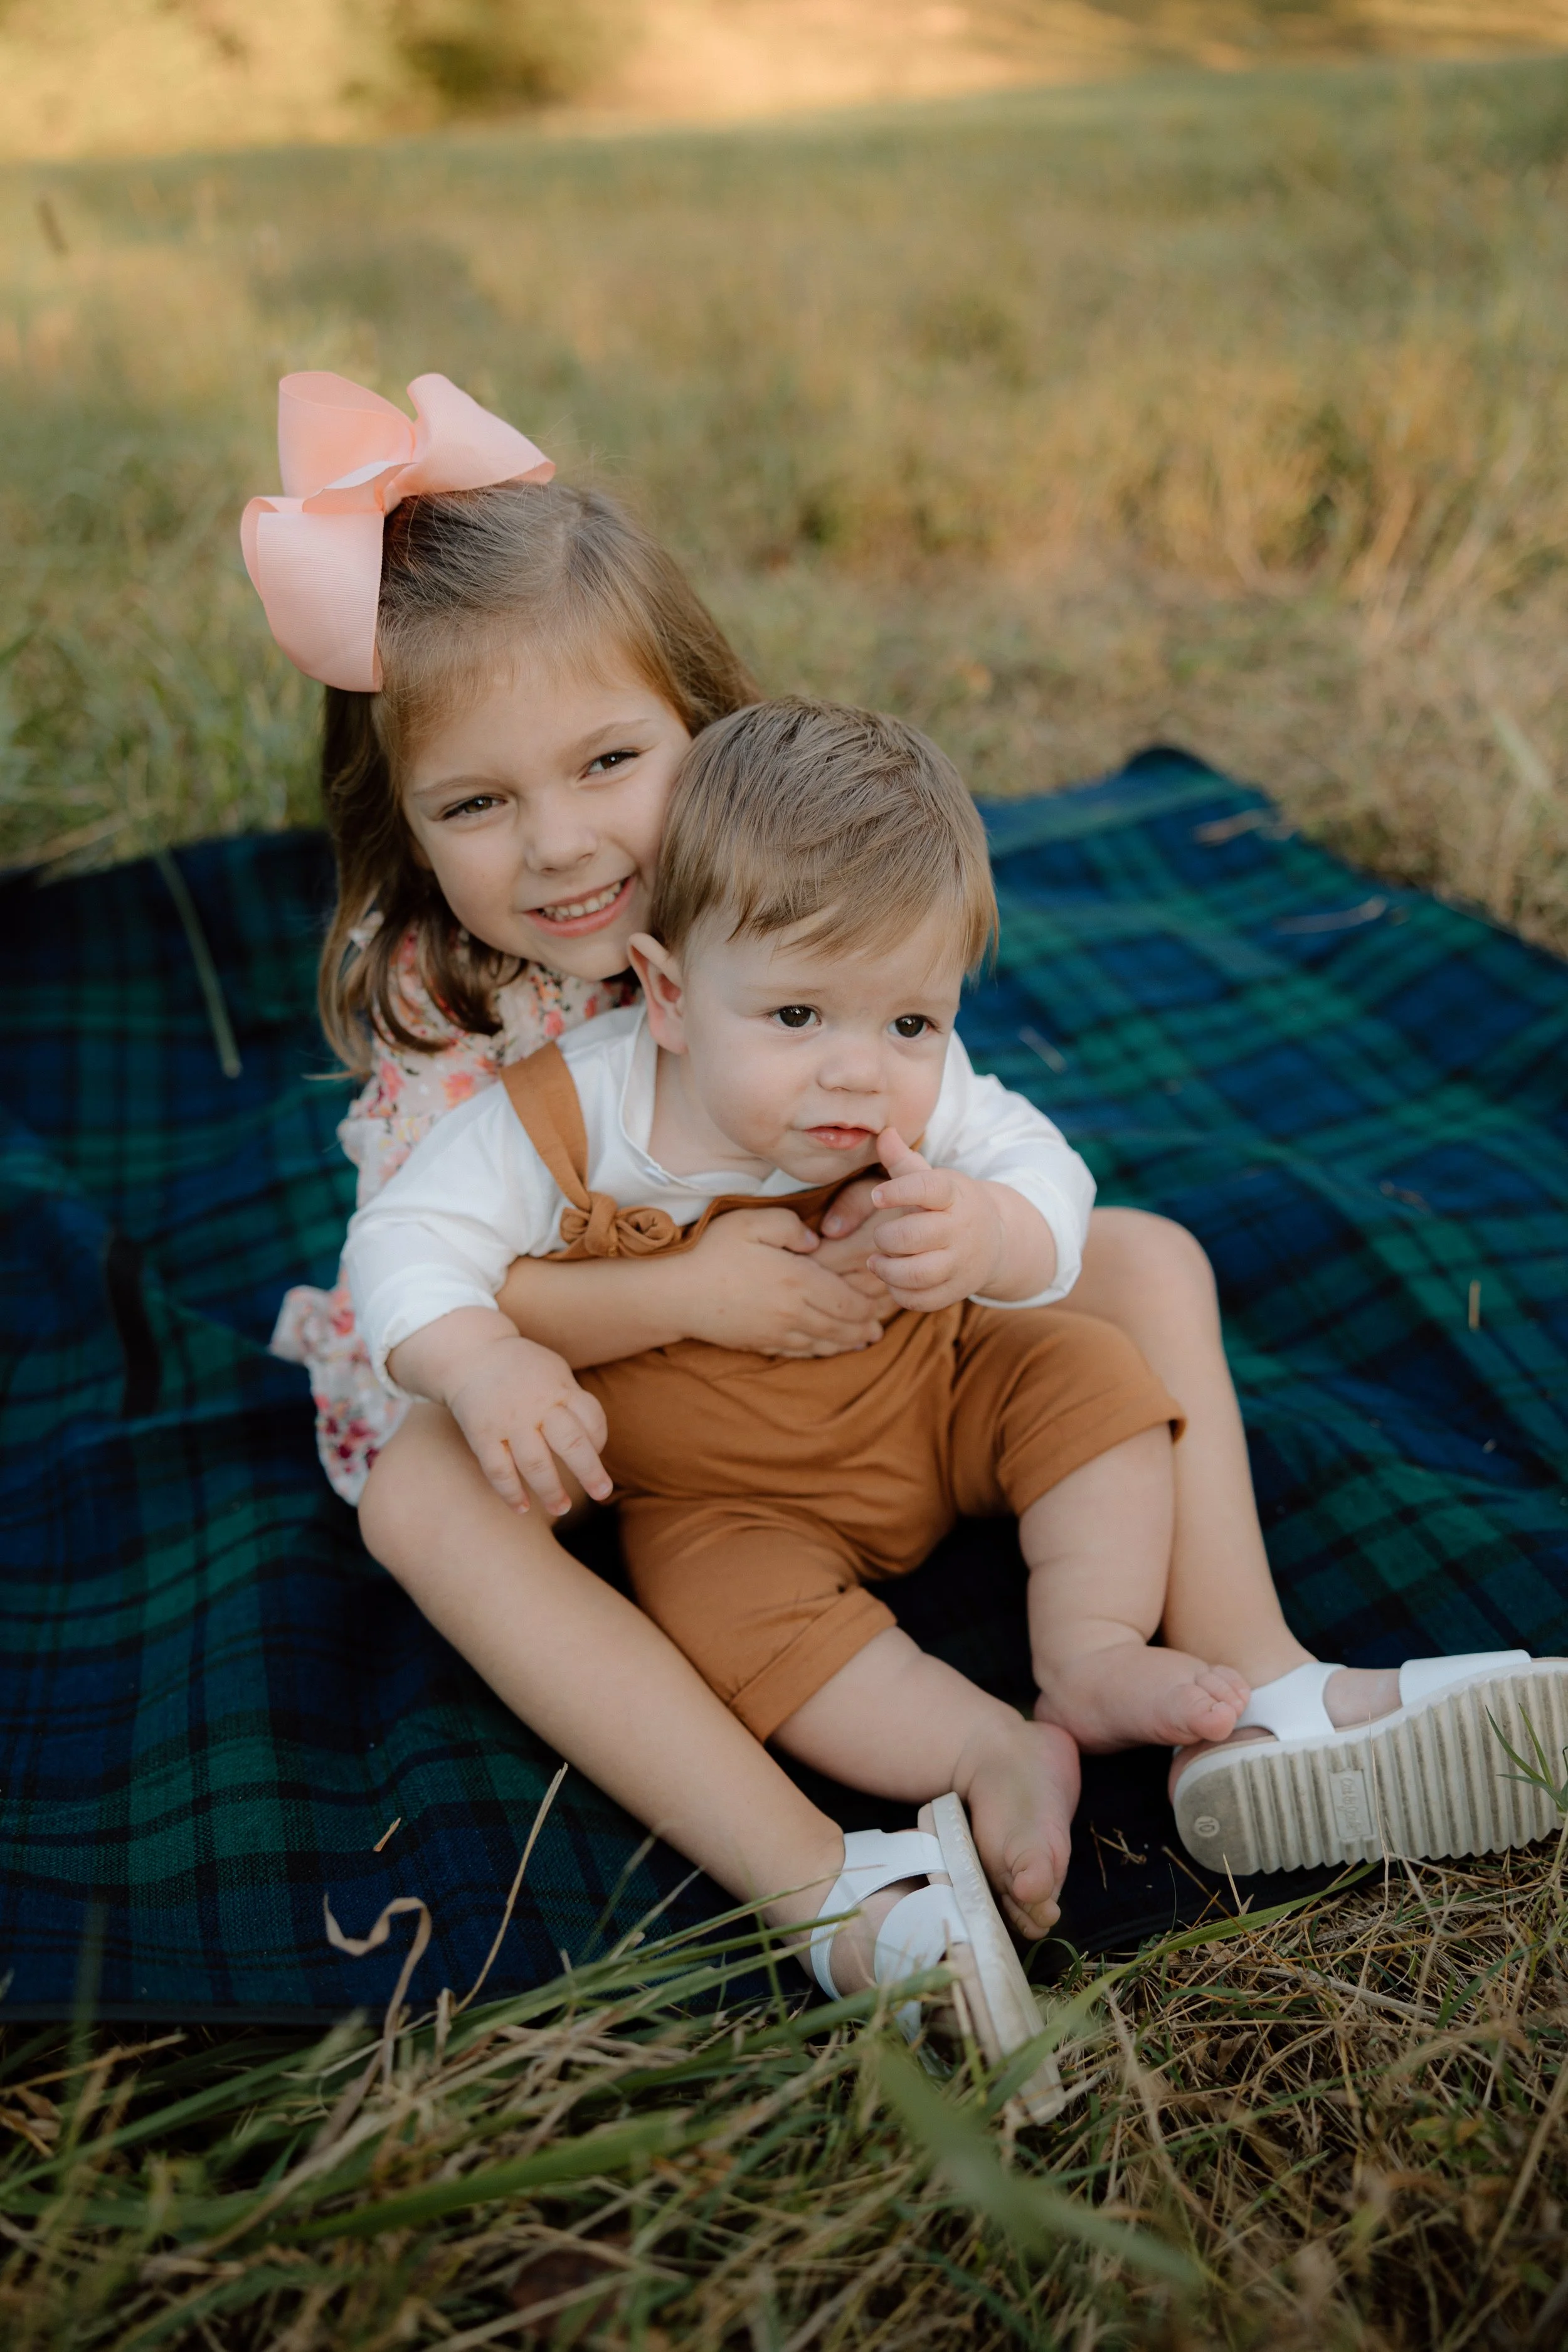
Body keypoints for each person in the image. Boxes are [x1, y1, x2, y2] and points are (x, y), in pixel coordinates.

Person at [249, 369, 1563, 2032]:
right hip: (602, 1423)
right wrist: (680, 1295)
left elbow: (958, 1120)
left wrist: (973, 1232)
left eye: (608, 761)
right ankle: (824, 1882)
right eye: (475, 804)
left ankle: (1256, 1684)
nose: (562, 845)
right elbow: (433, 1270)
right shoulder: (458, 1015)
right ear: (405, 820)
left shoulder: (782, 899)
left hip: (874, 1357)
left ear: (705, 732)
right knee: (417, 1500)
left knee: (1146, 1256)